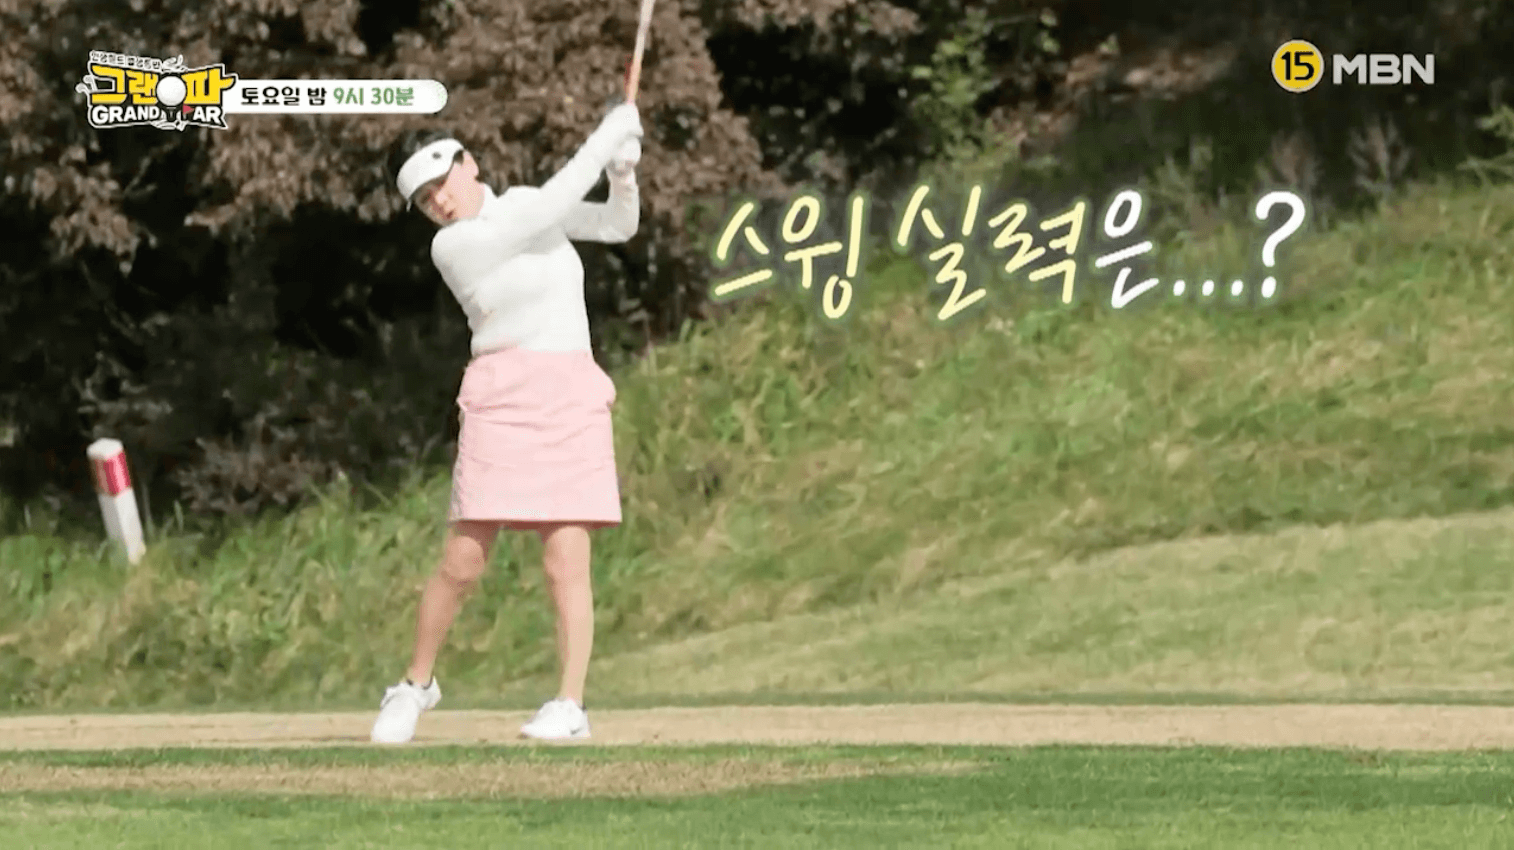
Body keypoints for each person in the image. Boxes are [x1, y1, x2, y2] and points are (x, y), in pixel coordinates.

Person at [369, 99, 644, 744]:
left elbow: (616, 225)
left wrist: (623, 172)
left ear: (468, 163)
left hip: (569, 390)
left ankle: (570, 705)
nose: (438, 202)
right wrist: (608, 134)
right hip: (502, 396)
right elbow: (551, 206)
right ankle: (415, 686)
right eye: (424, 199)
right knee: (464, 559)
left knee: (566, 560)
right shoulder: (454, 245)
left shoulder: (522, 205)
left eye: (441, 183)